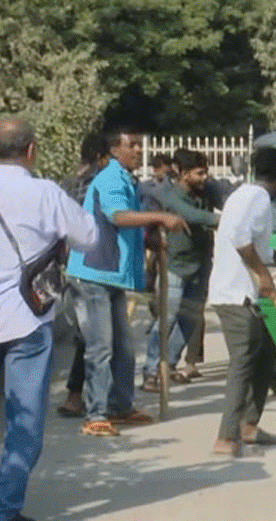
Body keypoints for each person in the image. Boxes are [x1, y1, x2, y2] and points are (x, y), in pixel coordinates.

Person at [0, 118, 98, 521]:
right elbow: (88, 235)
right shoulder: (45, 192)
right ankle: (6, 510)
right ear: (31, 150)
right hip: (29, 315)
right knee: (24, 416)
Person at [67, 128, 188, 437]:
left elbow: (123, 227)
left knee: (123, 346)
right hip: (94, 273)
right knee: (100, 347)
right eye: (131, 145)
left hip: (111, 274)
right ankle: (95, 413)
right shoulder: (109, 178)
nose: (138, 150)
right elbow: (118, 217)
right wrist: (159, 219)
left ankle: (121, 405)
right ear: (114, 150)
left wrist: (149, 241)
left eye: (138, 144)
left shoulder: (124, 179)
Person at [208, 146, 276, 456]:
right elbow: (241, 240)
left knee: (267, 351)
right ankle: (226, 437)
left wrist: (274, 260)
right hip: (233, 294)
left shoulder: (244, 195)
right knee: (243, 363)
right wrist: (263, 275)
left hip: (237, 293)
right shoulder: (257, 198)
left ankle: (248, 426)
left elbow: (254, 244)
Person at [140, 149, 219, 390]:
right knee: (167, 319)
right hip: (175, 266)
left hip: (200, 265)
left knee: (190, 319)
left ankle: (170, 365)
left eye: (206, 172)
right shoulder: (173, 197)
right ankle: (151, 371)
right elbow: (192, 216)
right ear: (183, 174)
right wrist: (222, 220)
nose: (204, 177)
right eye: (199, 173)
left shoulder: (205, 193)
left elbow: (221, 199)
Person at [54, 133, 111, 418]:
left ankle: (79, 396)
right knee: (92, 337)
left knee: (85, 334)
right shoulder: (98, 182)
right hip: (91, 263)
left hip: (68, 263)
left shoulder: (67, 182)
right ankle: (80, 397)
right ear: (103, 156)